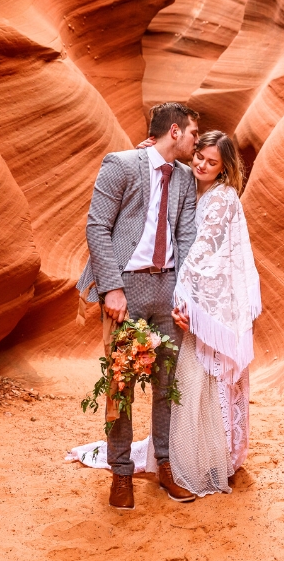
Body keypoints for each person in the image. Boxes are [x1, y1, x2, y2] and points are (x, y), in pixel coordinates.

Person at [76, 102, 200, 510]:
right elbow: (97, 225)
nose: (196, 143)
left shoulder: (184, 179)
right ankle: (121, 473)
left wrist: (184, 295)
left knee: (168, 384)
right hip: (125, 289)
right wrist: (111, 288)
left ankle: (165, 464)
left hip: (168, 290)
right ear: (176, 131)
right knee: (122, 383)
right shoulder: (122, 164)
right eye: (194, 134)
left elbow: (186, 236)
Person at [170, 130, 261, 495]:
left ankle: (210, 458)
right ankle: (199, 453)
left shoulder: (222, 198)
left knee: (206, 378)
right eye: (199, 158)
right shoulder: (194, 186)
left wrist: (184, 299)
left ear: (224, 168)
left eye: (212, 162)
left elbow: (207, 251)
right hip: (202, 299)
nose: (202, 166)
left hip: (207, 302)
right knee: (196, 380)